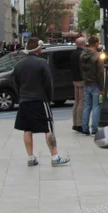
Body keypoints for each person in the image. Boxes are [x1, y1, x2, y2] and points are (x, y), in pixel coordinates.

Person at [12, 39, 70, 167]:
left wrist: (20, 96)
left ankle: (30, 157)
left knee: (27, 129)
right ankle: (55, 156)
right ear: (38, 49)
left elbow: (15, 83)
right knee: (48, 128)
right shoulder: (42, 63)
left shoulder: (19, 64)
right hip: (39, 99)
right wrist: (49, 98)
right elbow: (48, 83)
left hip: (24, 101)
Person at [80, 35, 103, 135]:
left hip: (86, 82)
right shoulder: (97, 55)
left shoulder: (82, 54)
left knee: (87, 106)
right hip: (95, 83)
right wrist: (101, 87)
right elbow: (101, 73)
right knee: (96, 107)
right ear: (96, 44)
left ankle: (85, 128)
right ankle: (94, 128)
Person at [70, 36, 86, 132]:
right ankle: (80, 124)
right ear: (83, 44)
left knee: (76, 102)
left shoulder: (73, 54)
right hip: (81, 80)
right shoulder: (82, 54)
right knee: (82, 102)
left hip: (75, 79)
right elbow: (82, 68)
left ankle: (75, 123)